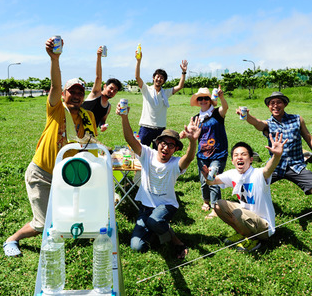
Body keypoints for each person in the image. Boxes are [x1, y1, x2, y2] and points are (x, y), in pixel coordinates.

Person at [3, 37, 98, 257]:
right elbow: (55, 84)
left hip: (69, 176)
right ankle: (12, 239)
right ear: (64, 95)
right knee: (42, 223)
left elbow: (89, 144)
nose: (76, 95)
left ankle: (69, 231)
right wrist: (55, 59)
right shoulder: (56, 109)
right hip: (42, 174)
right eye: (71, 92)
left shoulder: (88, 116)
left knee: (71, 212)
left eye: (79, 92)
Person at [241, 91, 312, 244]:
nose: (275, 105)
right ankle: (247, 222)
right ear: (268, 107)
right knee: (248, 188)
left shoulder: (297, 119)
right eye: (271, 103)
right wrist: (247, 116)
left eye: (278, 102)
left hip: (296, 166)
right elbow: (256, 123)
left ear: (285, 104)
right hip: (275, 166)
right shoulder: (268, 124)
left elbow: (309, 138)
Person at [116, 101, 201, 259]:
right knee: (136, 247)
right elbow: (130, 139)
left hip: (166, 206)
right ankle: (157, 232)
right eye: (163, 143)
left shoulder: (175, 163)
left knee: (155, 221)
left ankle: (175, 241)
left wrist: (192, 141)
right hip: (145, 208)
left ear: (175, 149)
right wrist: (124, 117)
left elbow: (188, 158)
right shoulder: (147, 154)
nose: (166, 147)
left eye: (171, 145)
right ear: (157, 144)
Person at [203, 135, 286, 252]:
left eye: (244, 154)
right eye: (236, 155)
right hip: (246, 216)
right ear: (232, 161)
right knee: (218, 205)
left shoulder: (258, 174)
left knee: (238, 213)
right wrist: (208, 177)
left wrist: (277, 156)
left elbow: (268, 168)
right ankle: (243, 233)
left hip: (264, 226)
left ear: (251, 159)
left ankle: (254, 240)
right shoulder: (232, 174)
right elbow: (212, 182)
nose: (239, 157)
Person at [135, 49, 187, 146]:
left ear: (164, 81)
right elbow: (137, 77)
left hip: (160, 129)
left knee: (158, 156)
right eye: (157, 77)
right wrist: (138, 61)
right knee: (141, 152)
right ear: (153, 78)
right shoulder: (146, 89)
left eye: (161, 78)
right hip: (146, 128)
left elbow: (180, 86)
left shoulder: (165, 93)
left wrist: (183, 72)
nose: (159, 79)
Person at [190, 86, 229, 219]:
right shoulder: (196, 117)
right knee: (203, 180)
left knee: (213, 178)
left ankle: (215, 207)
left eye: (206, 98)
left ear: (210, 100)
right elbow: (190, 131)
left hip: (218, 153)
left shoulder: (217, 113)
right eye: (200, 99)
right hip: (202, 154)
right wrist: (183, 134)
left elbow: (225, 108)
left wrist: (221, 97)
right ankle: (206, 201)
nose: (203, 101)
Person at [82, 45, 122, 132]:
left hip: (90, 135)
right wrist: (99, 57)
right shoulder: (96, 94)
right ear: (104, 86)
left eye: (115, 91)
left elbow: (102, 121)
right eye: (111, 88)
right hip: (76, 130)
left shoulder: (108, 107)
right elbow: (98, 77)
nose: (112, 91)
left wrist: (103, 126)